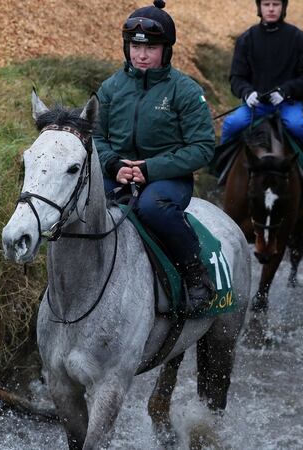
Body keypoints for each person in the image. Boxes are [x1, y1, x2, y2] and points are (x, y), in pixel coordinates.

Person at [93, 0, 216, 317]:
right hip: (117, 172)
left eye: (151, 48)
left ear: (166, 50)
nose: (141, 55)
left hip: (167, 179)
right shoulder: (110, 89)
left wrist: (151, 169)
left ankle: (195, 275)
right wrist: (114, 165)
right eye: (135, 46)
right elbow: (94, 135)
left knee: (151, 208)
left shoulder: (185, 91)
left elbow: (202, 146)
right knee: (80, 205)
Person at [221, 0, 303, 181]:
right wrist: (247, 92)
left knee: (299, 125)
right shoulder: (246, 39)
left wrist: (286, 91)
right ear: (259, 7)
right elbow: (236, 77)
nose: (271, 9)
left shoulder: (299, 39)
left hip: (287, 104)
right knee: (231, 123)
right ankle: (221, 170)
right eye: (266, 4)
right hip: (256, 105)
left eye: (275, 4)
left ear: (283, 7)